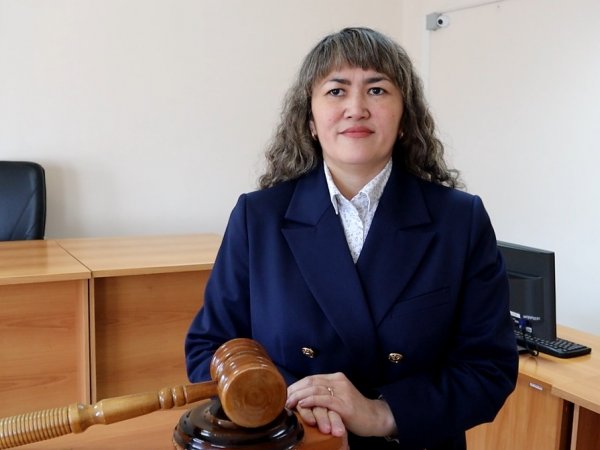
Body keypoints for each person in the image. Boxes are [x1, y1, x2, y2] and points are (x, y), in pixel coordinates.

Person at [185, 27, 518, 450]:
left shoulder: (460, 220)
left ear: (404, 119)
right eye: (336, 91)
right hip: (292, 442)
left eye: (377, 90)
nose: (356, 108)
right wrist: (293, 405)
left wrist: (380, 413)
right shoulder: (258, 217)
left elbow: (488, 368)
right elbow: (210, 348)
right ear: (309, 120)